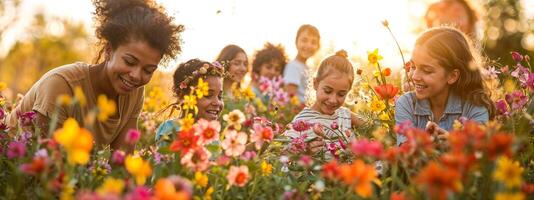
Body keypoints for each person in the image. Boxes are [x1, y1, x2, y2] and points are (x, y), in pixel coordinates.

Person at [5, 0, 184, 150]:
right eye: (129, 62)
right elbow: (46, 164)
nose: (136, 76)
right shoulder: (61, 85)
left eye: (148, 70)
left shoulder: (133, 92)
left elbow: (121, 165)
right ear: (108, 51)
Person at [395, 27, 496, 145]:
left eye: (427, 70)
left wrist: (452, 142)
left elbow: (480, 152)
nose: (415, 76)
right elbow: (404, 154)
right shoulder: (406, 104)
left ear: (452, 76)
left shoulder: (475, 106)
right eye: (413, 67)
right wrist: (428, 143)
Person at [285, 50, 365, 155]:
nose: (333, 100)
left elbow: (374, 129)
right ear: (315, 84)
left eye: (341, 94)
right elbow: (285, 152)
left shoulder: (346, 115)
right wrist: (306, 151)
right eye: (327, 91)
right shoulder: (302, 121)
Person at [155, 59, 224, 144]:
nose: (217, 102)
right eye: (208, 95)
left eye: (220, 96)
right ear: (183, 96)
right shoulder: (170, 129)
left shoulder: (212, 137)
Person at [283, 24, 320, 103]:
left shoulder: (307, 68)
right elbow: (290, 97)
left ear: (318, 46)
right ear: (296, 42)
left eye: (313, 42)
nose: (308, 45)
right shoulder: (294, 66)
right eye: (304, 40)